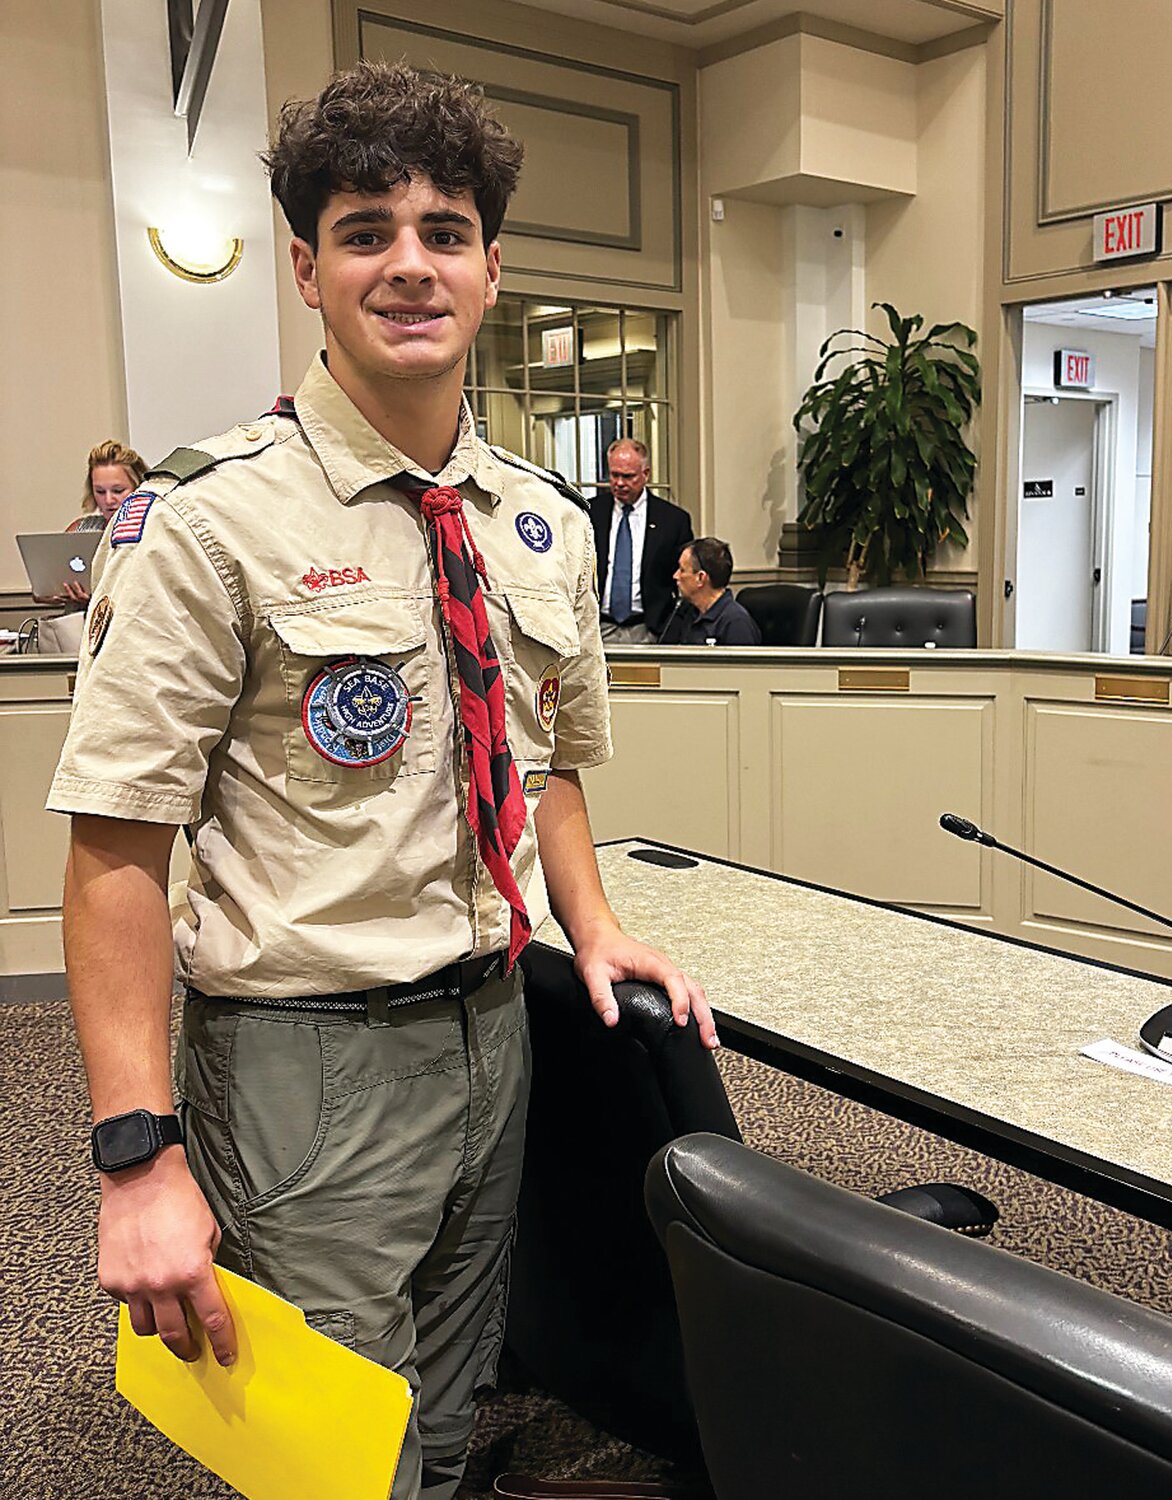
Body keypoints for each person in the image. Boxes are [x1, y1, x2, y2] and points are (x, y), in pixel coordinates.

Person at [47, 61, 715, 1500]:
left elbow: (550, 766)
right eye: (366, 230)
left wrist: (589, 921)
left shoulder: (537, 523)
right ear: (305, 265)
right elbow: (116, 855)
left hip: (494, 1032)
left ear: (490, 267)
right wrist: (135, 1159)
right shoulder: (204, 523)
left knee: (460, 1404)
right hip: (308, 1058)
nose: (409, 262)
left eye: (444, 230)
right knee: (334, 1459)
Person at [588, 437, 692, 642]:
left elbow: (684, 577)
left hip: (649, 628)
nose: (619, 483)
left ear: (645, 474)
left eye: (628, 477)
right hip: (598, 626)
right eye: (614, 475)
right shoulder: (591, 513)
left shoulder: (673, 520)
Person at [33, 440, 145, 610]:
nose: (108, 500)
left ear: (138, 488)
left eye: (118, 491)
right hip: (79, 630)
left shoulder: (152, 530)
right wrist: (51, 592)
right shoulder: (80, 529)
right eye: (100, 492)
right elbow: (41, 589)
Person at [658, 537, 762, 646]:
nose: (675, 576)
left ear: (701, 578)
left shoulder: (736, 623)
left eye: (682, 570)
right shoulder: (686, 612)